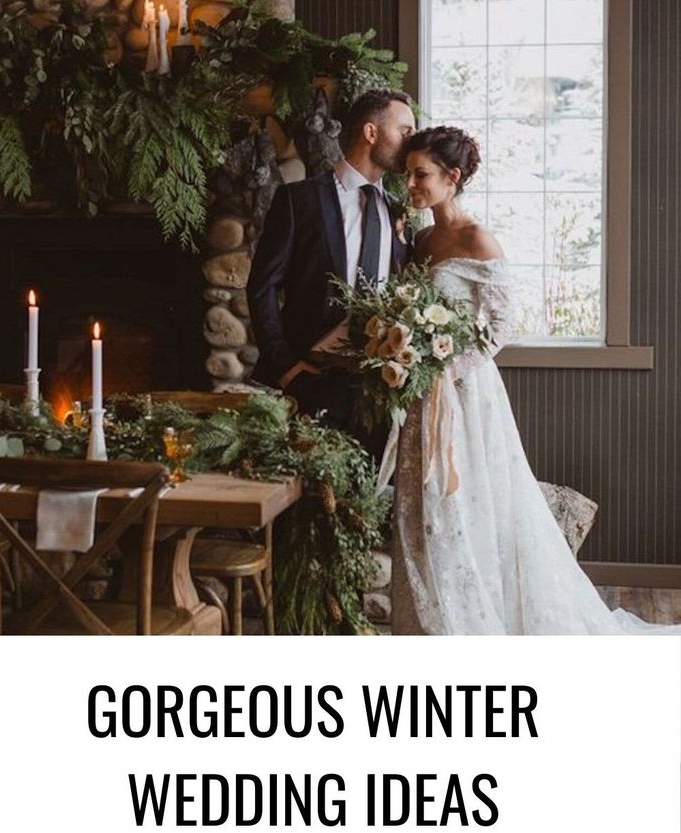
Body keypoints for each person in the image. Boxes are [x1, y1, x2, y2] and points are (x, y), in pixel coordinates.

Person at [390, 124, 681, 635]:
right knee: (425, 506)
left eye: (421, 175)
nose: (411, 185)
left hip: (465, 392)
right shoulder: (420, 239)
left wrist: (444, 370)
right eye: (408, 175)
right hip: (421, 390)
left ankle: (480, 619)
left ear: (452, 177)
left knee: (465, 500)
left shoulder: (476, 238)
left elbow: (501, 325)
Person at [247, 88, 415, 459]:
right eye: (404, 130)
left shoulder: (400, 211)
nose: (411, 140)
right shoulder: (299, 200)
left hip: (380, 387)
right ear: (371, 132)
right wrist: (286, 368)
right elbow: (262, 287)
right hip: (311, 380)